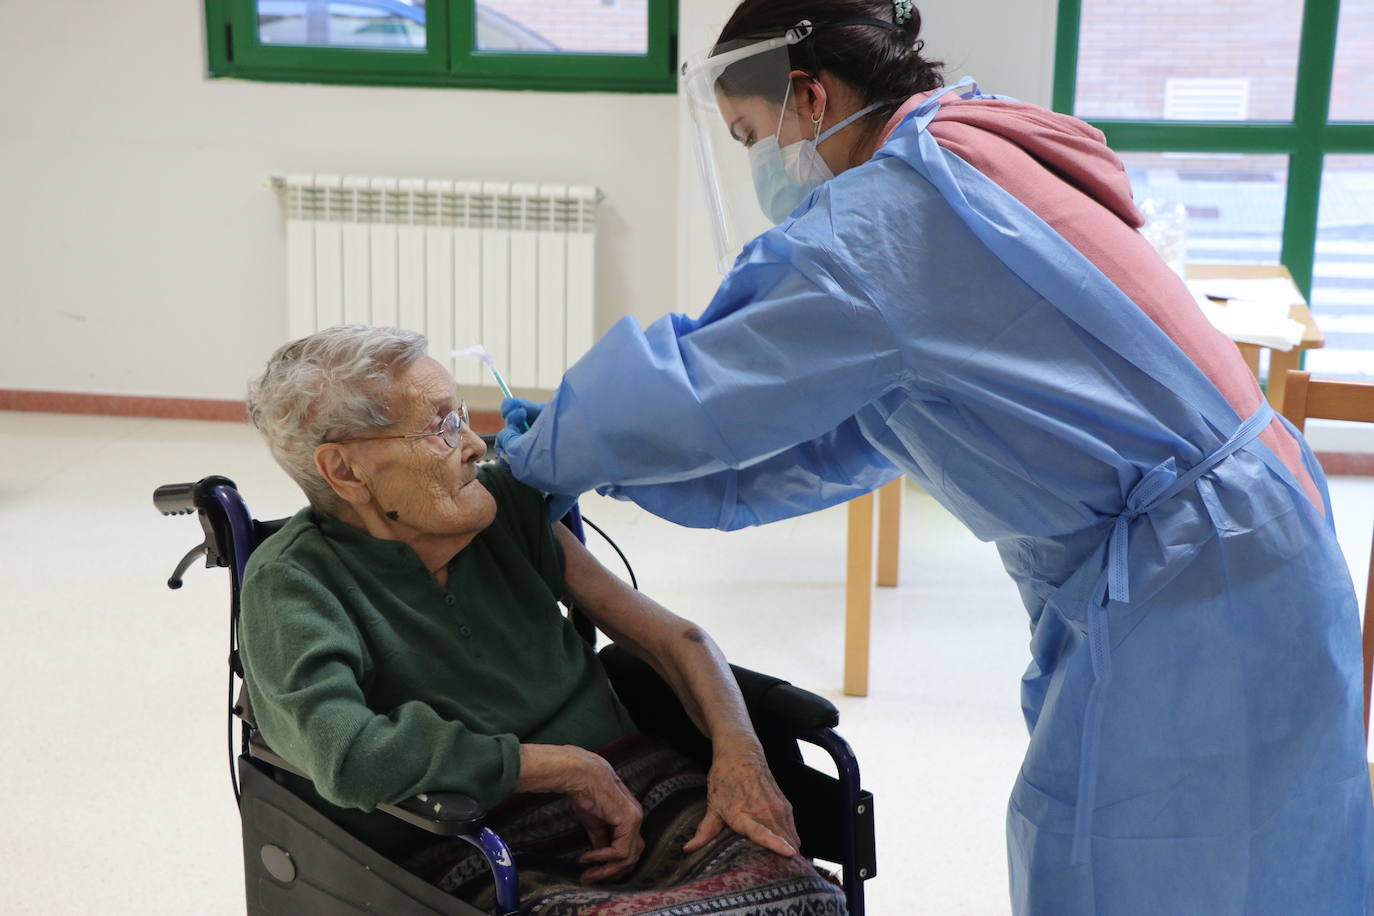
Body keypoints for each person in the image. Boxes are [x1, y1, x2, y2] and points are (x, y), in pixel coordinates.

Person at [495, 2, 1374, 913]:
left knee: (1149, 866)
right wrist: (621, 468)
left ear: (811, 94)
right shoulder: (974, 143)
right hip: (1245, 540)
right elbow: (839, 436)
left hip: (1196, 583)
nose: (758, 164)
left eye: (753, 134)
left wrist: (545, 449)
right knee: (1253, 859)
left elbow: (698, 386)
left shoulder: (883, 223)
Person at [239, 325, 847, 915]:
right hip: (468, 832)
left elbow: (673, 640)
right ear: (345, 471)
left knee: (807, 897)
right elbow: (348, 755)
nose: (476, 446)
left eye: (464, 418)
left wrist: (741, 757)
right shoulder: (292, 582)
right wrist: (555, 766)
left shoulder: (506, 508)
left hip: (636, 783)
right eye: (442, 429)